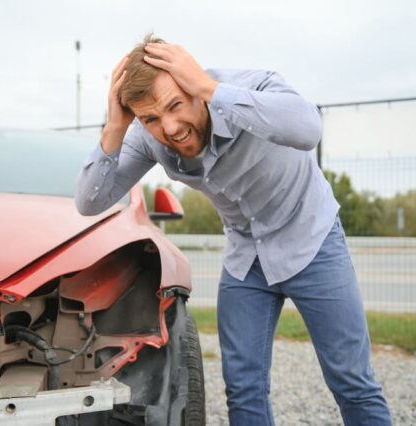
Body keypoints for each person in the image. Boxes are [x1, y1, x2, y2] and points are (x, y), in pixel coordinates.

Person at [75, 34, 392, 426]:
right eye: (151, 118)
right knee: (243, 390)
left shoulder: (250, 87)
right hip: (247, 258)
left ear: (192, 86)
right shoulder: (145, 134)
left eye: (175, 105)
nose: (169, 128)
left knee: (351, 381)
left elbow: (309, 128)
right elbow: (90, 202)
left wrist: (210, 89)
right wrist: (115, 127)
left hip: (312, 239)